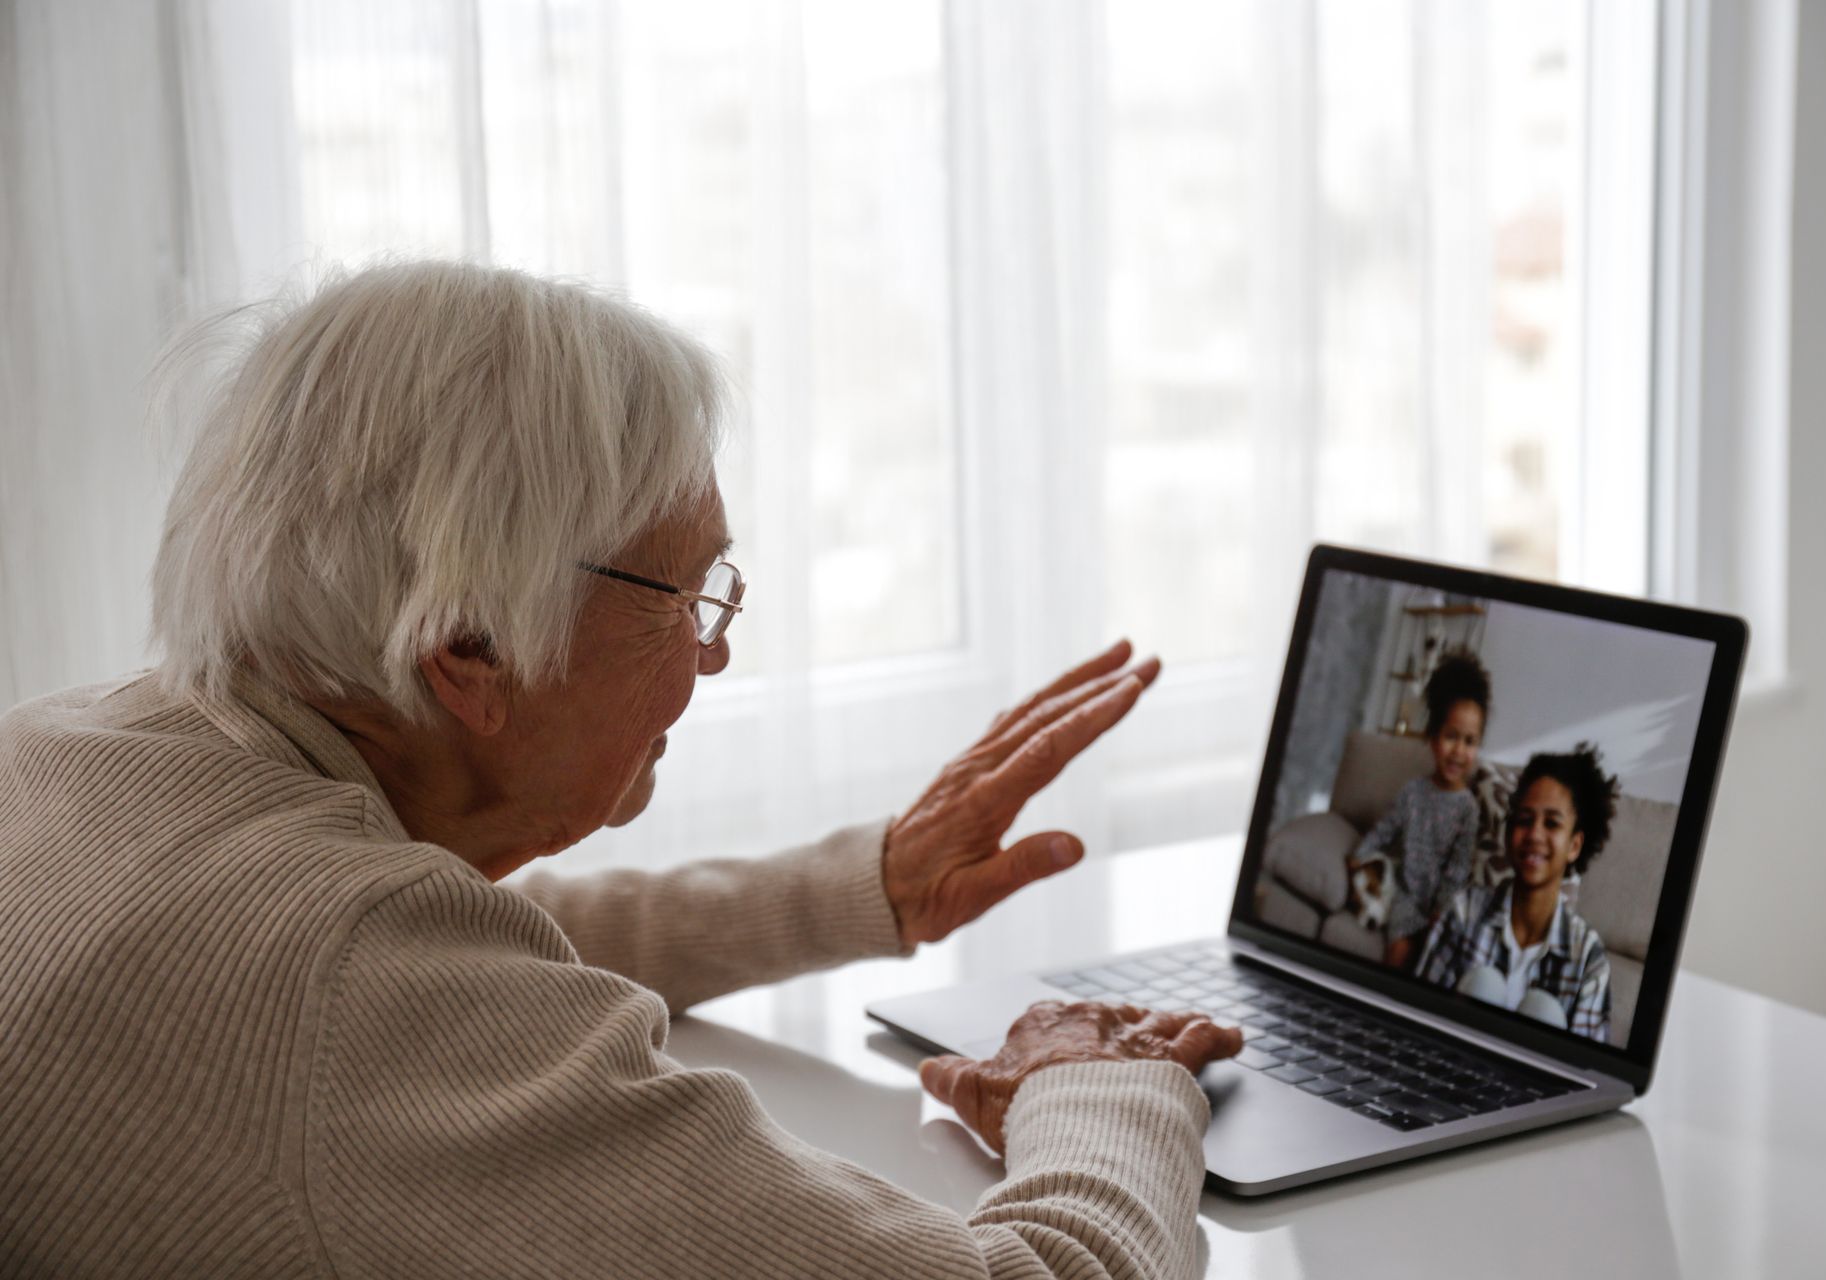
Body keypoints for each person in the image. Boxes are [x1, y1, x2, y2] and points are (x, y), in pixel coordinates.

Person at [0, 263, 1241, 1278]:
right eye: (686, 593)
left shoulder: (74, 751)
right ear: (469, 646)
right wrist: (1099, 1088)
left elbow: (458, 936)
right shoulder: (353, 979)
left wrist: (864, 887)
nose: (711, 654)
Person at [1413, 744, 1618, 1042]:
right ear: (1510, 833)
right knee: (1484, 984)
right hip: (1449, 1063)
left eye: (1551, 823)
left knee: (1544, 1011)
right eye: (1524, 820)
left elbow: (1587, 1068)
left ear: (1574, 845)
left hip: (1538, 1084)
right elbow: (1419, 1013)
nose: (1534, 834)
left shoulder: (1588, 957)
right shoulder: (1464, 910)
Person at [1351, 649, 1490, 969]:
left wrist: (1440, 910)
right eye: (1451, 737)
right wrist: (1360, 856)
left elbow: (1457, 870)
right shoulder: (1413, 792)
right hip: (1406, 895)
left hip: (1443, 906)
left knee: (1441, 959)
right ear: (1432, 738)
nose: (1459, 751)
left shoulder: (1468, 808)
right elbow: (1384, 829)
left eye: (1470, 742)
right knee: (1400, 951)